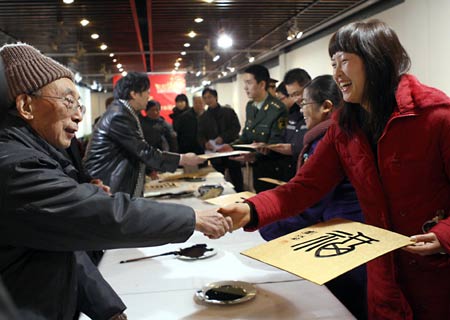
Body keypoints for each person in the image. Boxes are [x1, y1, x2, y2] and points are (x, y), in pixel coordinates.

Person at [219, 20, 450, 320]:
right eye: (333, 64)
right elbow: (305, 187)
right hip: (382, 275)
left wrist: (445, 233)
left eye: (344, 62)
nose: (337, 74)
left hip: (435, 273)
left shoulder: (435, 118)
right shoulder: (345, 129)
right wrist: (251, 210)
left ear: (376, 60)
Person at [0, 42, 232, 320]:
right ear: (26, 105)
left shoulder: (36, 152)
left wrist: (106, 308)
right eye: (68, 101)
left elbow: (60, 244)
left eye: (80, 104)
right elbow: (96, 214)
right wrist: (191, 218)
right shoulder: (14, 165)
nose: (78, 114)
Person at [259, 75, 367, 319]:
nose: (300, 109)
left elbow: (309, 203)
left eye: (304, 103)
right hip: (348, 235)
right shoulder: (339, 134)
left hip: (342, 239)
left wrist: (264, 225)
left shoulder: (326, 143)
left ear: (326, 106)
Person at [84, 72, 204, 197]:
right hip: (107, 185)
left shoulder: (124, 111)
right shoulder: (119, 115)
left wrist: (148, 170)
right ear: (134, 94)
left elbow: (132, 150)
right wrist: (182, 159)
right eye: (147, 92)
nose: (149, 96)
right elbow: (142, 150)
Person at [224, 64, 287, 192]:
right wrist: (231, 146)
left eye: (249, 83)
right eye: (244, 83)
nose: (245, 88)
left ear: (262, 84)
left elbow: (276, 143)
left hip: (273, 169)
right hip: (257, 169)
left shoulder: (277, 109)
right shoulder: (251, 106)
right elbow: (247, 135)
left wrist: (254, 155)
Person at [265, 70, 310, 181]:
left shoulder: (318, 112)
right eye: (292, 95)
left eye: (298, 93)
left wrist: (292, 148)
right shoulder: (289, 115)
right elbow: (279, 137)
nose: (296, 99)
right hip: (289, 173)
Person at [198, 87, 243, 192]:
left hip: (230, 149)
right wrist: (205, 143)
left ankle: (241, 195)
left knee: (236, 176)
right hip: (215, 153)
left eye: (210, 97)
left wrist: (223, 137)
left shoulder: (228, 111)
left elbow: (236, 127)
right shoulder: (203, 117)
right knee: (217, 178)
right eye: (205, 98)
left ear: (216, 97)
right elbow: (200, 134)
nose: (208, 100)